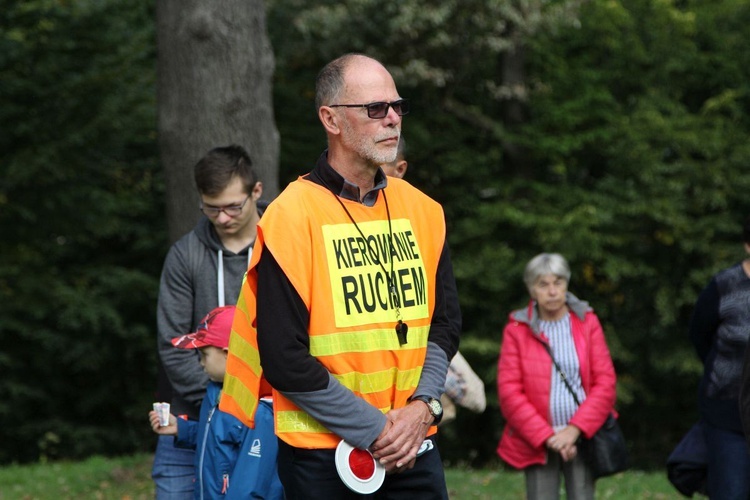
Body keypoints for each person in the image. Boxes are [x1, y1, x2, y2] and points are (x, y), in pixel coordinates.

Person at [220, 53, 461, 499]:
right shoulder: (291, 215)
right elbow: (283, 358)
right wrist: (378, 431)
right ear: (331, 119)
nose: (392, 119)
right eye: (375, 108)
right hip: (324, 458)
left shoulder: (424, 211)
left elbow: (444, 325)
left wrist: (422, 410)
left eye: (396, 106)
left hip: (414, 445)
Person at [153, 145, 264, 498]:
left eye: (233, 206)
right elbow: (173, 345)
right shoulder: (185, 255)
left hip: (268, 419)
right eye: (211, 208)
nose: (223, 218)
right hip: (193, 416)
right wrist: (217, 406)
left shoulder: (282, 245)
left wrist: (254, 404)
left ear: (256, 192)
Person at [381, 136, 486, 425]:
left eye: (379, 167)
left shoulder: (423, 217)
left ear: (400, 169)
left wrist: (426, 400)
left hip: (419, 376)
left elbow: (446, 318)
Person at [496, 253, 617, 500]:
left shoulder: (588, 322)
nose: (552, 291)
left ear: (567, 285)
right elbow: (509, 392)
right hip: (538, 439)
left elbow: (605, 382)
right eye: (543, 284)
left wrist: (573, 431)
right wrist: (548, 437)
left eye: (558, 283)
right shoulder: (516, 331)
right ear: (532, 290)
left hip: (583, 436)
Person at [149, 305, 283, 499]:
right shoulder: (216, 391)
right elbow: (218, 436)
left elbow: (250, 486)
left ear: (229, 353)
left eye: (204, 355)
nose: (201, 362)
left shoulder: (258, 410)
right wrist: (182, 429)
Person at [693, 216, 750, 500]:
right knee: (731, 490)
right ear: (747, 246)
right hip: (728, 410)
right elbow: (699, 335)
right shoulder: (724, 286)